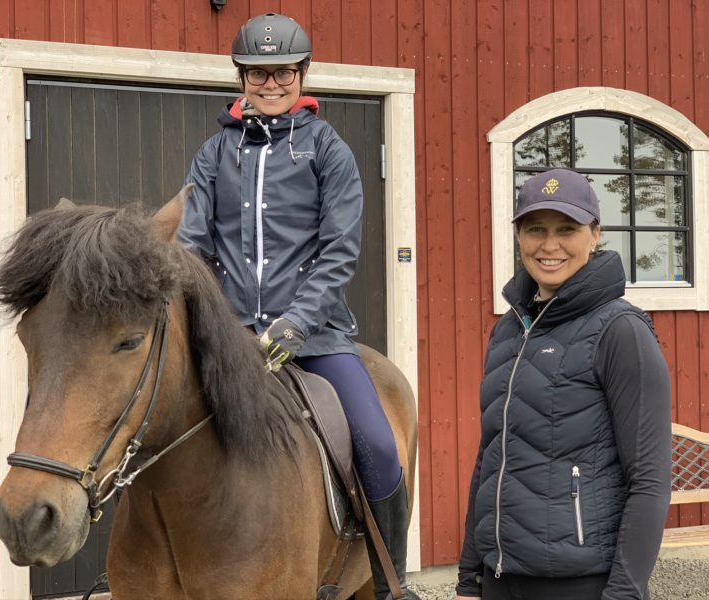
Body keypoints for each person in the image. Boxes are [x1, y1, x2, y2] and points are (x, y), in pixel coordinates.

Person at [177, 13, 419, 600]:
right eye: (258, 73)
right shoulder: (214, 154)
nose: (270, 84)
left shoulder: (328, 151)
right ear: (241, 77)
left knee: (380, 447)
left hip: (315, 337)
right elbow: (191, 245)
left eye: (282, 72)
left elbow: (340, 250)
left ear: (302, 74)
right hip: (232, 334)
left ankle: (389, 582)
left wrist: (298, 320)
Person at [455, 168, 672, 600]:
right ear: (519, 237)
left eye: (567, 229)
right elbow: (491, 459)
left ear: (595, 235)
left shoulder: (621, 330)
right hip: (501, 579)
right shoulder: (509, 329)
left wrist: (625, 592)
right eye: (535, 229)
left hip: (580, 584)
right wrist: (469, 577)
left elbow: (649, 478)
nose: (549, 245)